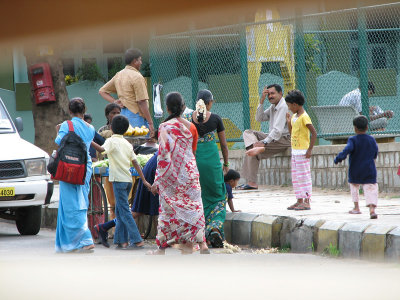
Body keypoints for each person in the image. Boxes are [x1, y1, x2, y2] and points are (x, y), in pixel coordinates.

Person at [150, 92, 209, 255]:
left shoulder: (164, 127)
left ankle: (161, 248)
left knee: (168, 211)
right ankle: (201, 243)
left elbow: (162, 156)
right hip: (189, 173)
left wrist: (157, 180)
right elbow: (193, 152)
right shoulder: (191, 127)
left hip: (170, 177)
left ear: (167, 108)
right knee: (194, 208)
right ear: (183, 107)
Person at [91, 115, 151, 249]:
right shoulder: (127, 143)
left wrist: (88, 140)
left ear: (111, 128)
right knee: (119, 210)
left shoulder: (112, 141)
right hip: (128, 180)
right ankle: (121, 240)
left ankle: (137, 239)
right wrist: (144, 179)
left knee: (124, 211)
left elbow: (101, 150)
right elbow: (135, 163)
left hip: (118, 180)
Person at [54, 97, 96, 253]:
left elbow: (59, 142)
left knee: (70, 205)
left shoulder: (67, 125)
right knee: (81, 202)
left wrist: (58, 130)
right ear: (84, 111)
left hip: (69, 168)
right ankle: (70, 243)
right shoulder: (90, 128)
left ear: (70, 111)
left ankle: (85, 239)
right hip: (85, 168)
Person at [190, 89, 229, 248]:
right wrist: (226, 164)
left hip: (195, 161)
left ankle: (200, 233)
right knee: (219, 195)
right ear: (210, 102)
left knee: (200, 196)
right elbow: (224, 146)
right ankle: (214, 228)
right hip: (212, 162)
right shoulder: (216, 118)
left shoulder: (188, 118)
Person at [239, 84, 291, 190]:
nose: (270, 96)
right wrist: (261, 101)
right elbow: (259, 117)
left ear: (280, 93)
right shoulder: (273, 106)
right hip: (274, 137)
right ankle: (255, 147)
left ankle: (252, 182)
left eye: (273, 93)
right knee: (247, 133)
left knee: (253, 149)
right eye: (268, 94)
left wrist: (264, 142)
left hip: (284, 139)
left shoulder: (283, 106)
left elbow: (277, 130)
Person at [99, 48, 154, 137]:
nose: (141, 62)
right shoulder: (137, 77)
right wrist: (150, 122)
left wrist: (114, 102)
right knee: (139, 144)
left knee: (125, 141)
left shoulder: (119, 75)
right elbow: (141, 102)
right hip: (136, 115)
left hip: (122, 114)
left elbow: (102, 91)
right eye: (140, 60)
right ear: (134, 61)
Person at [334, 116, 379, 219]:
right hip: (369, 169)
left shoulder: (352, 139)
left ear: (355, 128)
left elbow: (347, 150)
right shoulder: (371, 139)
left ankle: (356, 207)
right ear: (367, 127)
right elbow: (375, 152)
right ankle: (372, 209)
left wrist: (338, 158)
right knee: (370, 188)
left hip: (355, 169)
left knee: (354, 187)